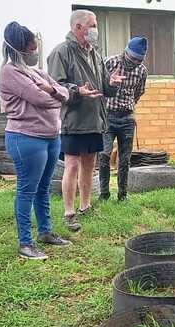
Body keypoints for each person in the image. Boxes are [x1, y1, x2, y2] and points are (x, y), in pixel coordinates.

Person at [0, 22, 71, 260]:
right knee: (26, 190)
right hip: (26, 139)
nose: (35, 51)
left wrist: (53, 91)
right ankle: (25, 243)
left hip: (50, 137)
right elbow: (40, 98)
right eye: (31, 48)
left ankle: (45, 232)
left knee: (43, 187)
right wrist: (54, 95)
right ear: (19, 49)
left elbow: (64, 92)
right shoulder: (10, 72)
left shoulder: (36, 72)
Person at [48, 9, 125, 232]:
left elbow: (103, 86)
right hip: (73, 120)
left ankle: (85, 206)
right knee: (72, 165)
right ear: (78, 27)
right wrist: (77, 91)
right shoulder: (61, 52)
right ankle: (69, 212)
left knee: (89, 164)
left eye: (95, 25)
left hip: (94, 118)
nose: (95, 30)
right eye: (92, 25)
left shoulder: (95, 53)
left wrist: (112, 83)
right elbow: (55, 86)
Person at [99, 37, 149, 202]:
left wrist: (128, 104)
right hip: (108, 116)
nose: (135, 63)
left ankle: (123, 195)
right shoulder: (110, 62)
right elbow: (99, 85)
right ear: (126, 52)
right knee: (104, 155)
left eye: (139, 60)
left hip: (127, 117)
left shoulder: (142, 71)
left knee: (125, 159)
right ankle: (104, 194)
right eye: (133, 59)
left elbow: (139, 92)